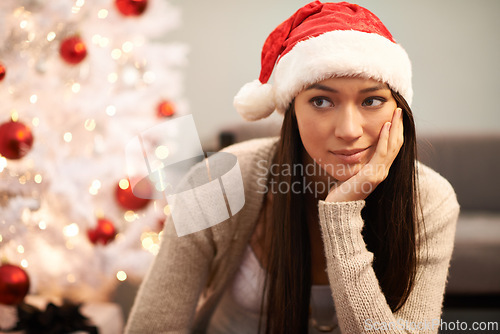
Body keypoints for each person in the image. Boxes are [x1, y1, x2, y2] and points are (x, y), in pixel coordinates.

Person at [125, 1, 459, 333]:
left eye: (371, 100)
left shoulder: (430, 199)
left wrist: (341, 215)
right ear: (291, 111)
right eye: (321, 101)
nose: (349, 130)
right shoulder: (217, 182)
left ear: (398, 111)